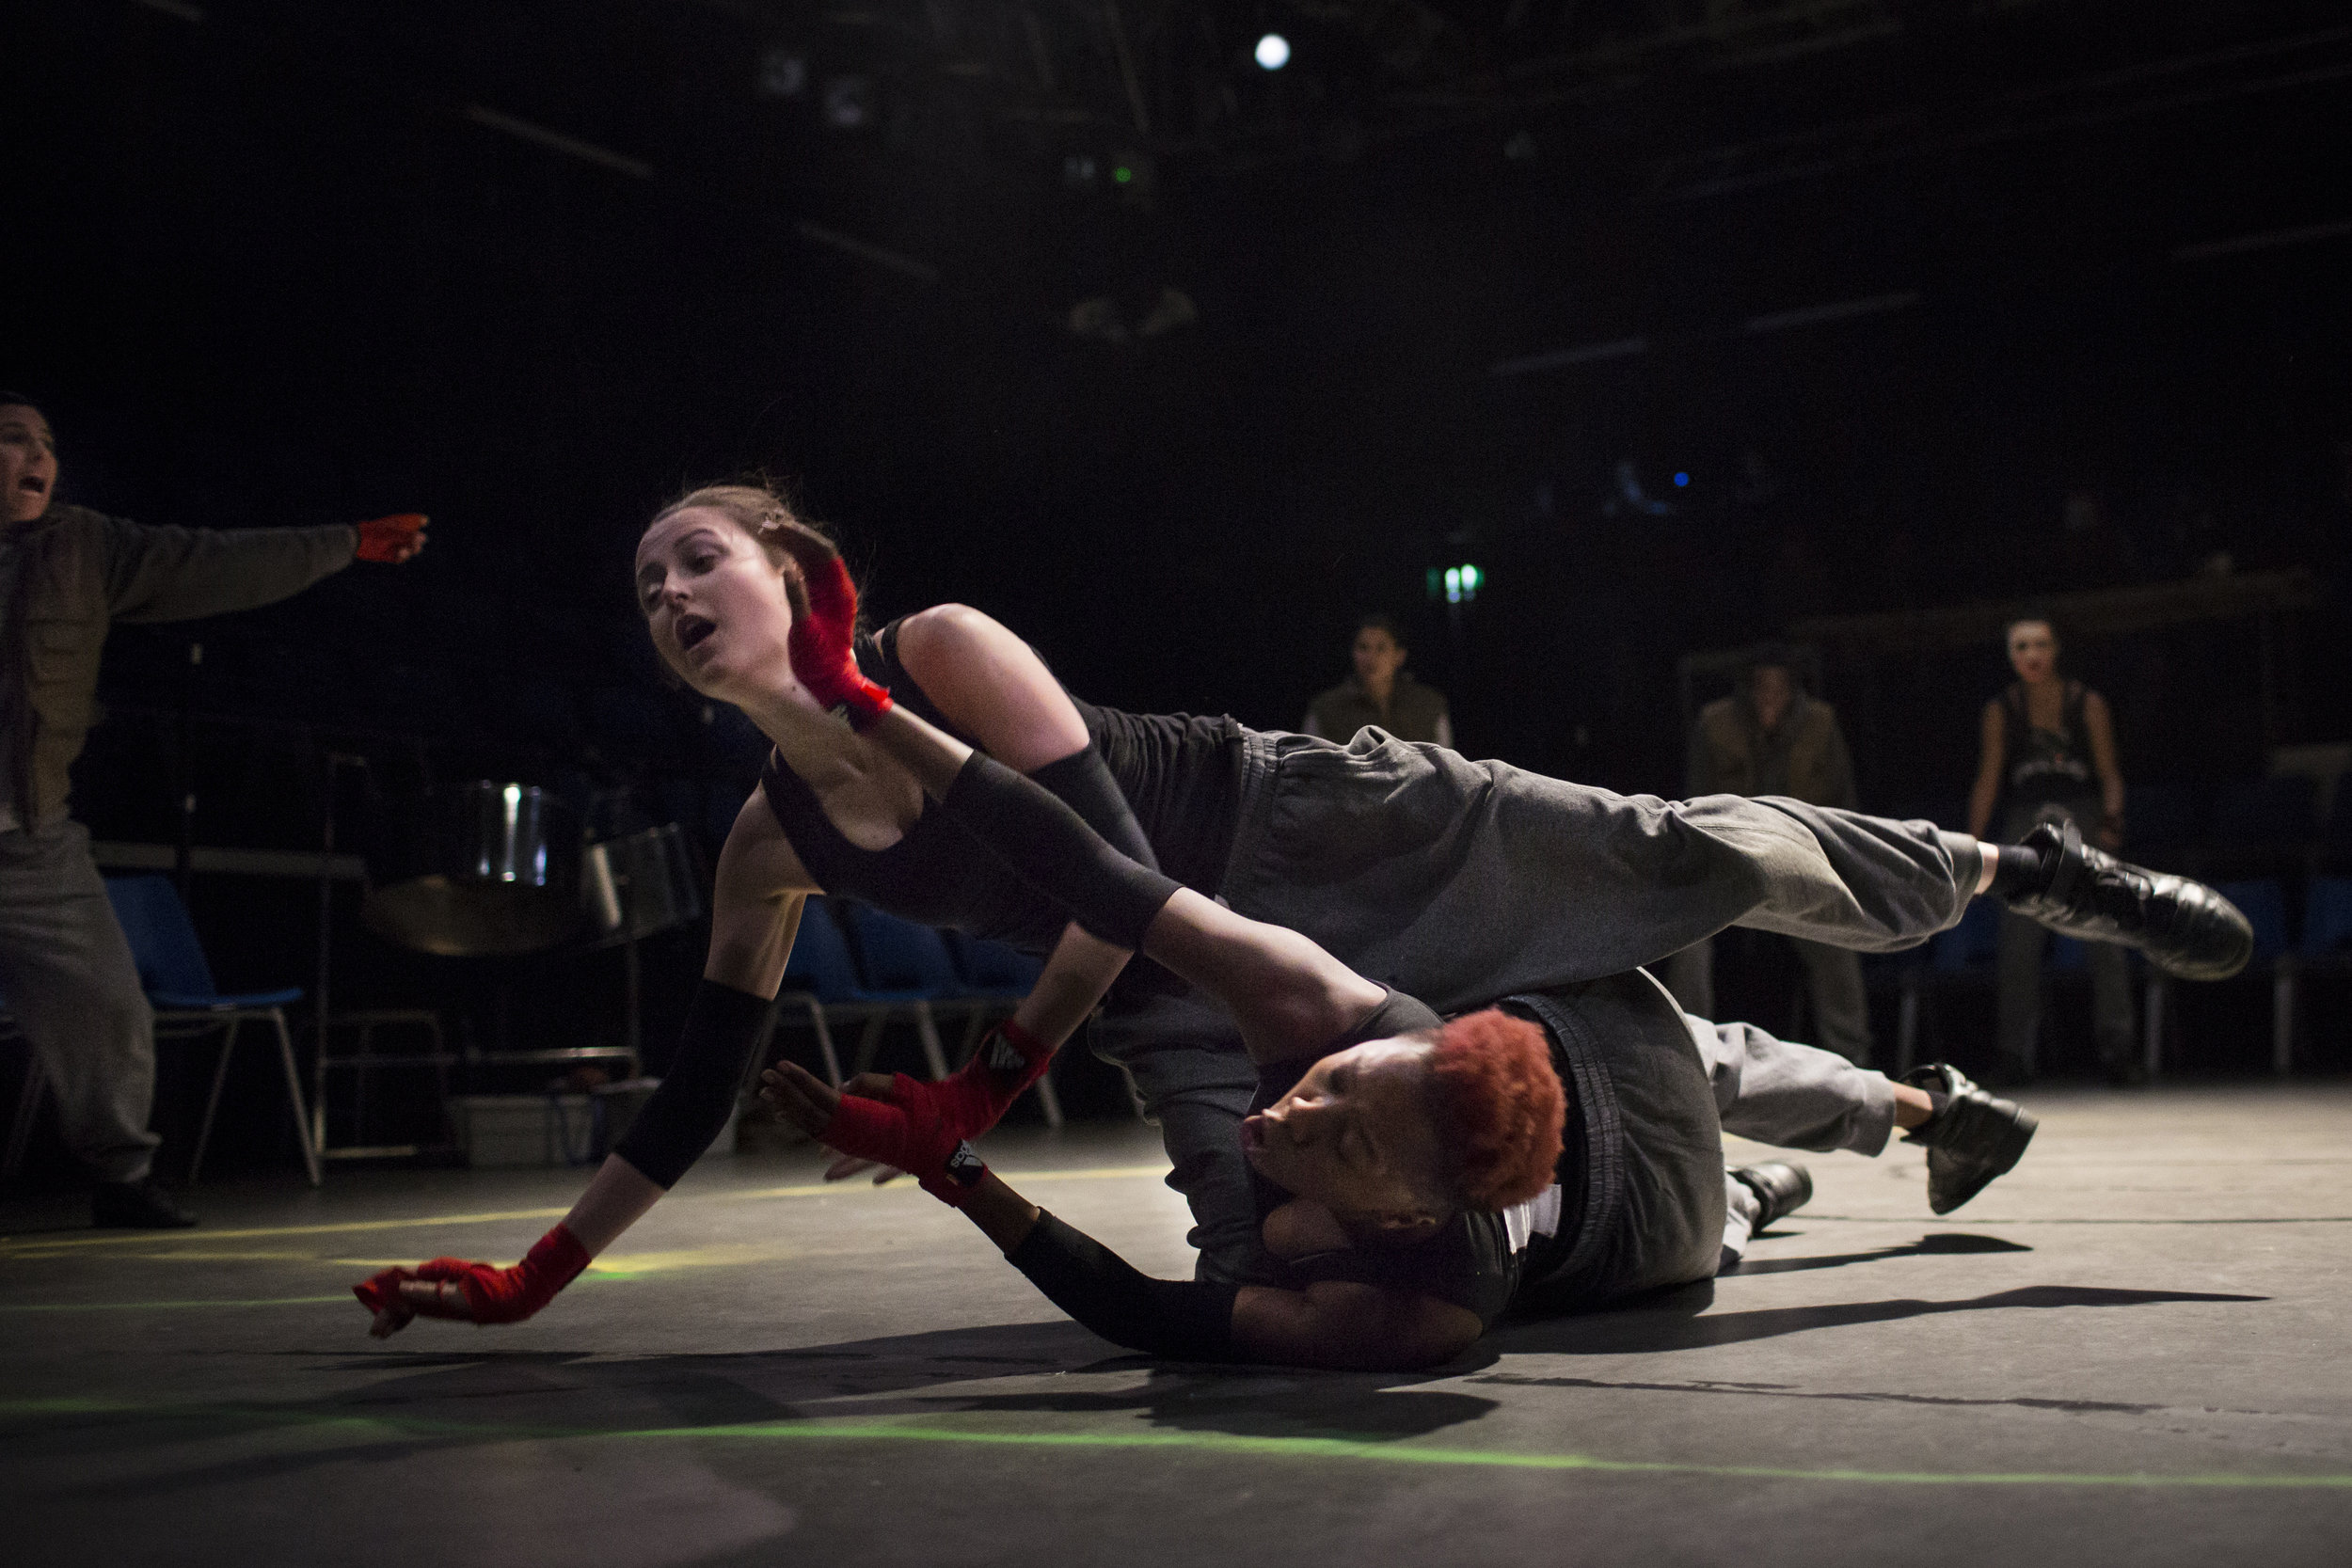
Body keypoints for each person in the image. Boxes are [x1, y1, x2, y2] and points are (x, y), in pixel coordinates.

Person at [353, 488, 2246, 1338]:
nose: (670, 585)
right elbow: (697, 1085)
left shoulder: (936, 647)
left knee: (1686, 858)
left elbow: (1105, 871)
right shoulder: (769, 841)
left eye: (700, 549)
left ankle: (2023, 872)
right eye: (645, 581)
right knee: (1272, 1277)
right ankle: (1710, 1187)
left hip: (1314, 830)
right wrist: (541, 1267)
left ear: (796, 568)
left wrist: (991, 1077)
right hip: (1178, 989)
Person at [0, 393, 428, 1227]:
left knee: (106, 1006)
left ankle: (122, 1177)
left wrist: (343, 543)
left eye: (46, 442)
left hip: (33, 843)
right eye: (14, 439)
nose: (38, 455)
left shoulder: (86, 547)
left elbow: (214, 561)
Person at [1665, 648, 1873, 1066]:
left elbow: (1843, 801)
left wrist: (1840, 859)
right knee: (1684, 934)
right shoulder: (1717, 722)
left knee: (1835, 932)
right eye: (1761, 684)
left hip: (1799, 854)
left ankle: (1852, 1058)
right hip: (1730, 854)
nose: (1769, 695)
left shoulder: (1819, 722)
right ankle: (1688, 1056)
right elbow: (1692, 798)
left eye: (1778, 684)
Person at [1966, 615, 2136, 1084]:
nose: (2031, 655)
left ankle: (2118, 1049)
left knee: (2104, 933)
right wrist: (1971, 846)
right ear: (2010, 656)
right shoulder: (2003, 709)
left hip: (2081, 817)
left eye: (2040, 645)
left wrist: (2111, 824)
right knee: (2018, 941)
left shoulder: (2086, 702)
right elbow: (1988, 778)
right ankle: (2014, 1053)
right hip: (2025, 824)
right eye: (2021, 647)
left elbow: (2110, 774)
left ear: (2056, 649)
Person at [1301, 612, 1452, 747]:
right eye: (1363, 648)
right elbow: (1311, 765)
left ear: (1399, 655)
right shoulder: (1326, 708)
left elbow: (1445, 767)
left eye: (1381, 648)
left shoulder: (1428, 704)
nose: (1371, 658)